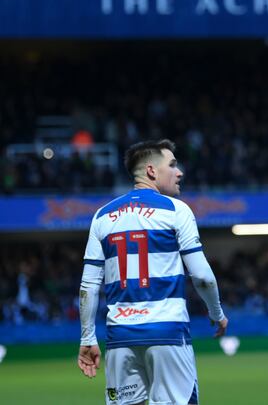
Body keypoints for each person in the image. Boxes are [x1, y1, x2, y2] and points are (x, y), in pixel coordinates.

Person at [78, 139, 227, 405]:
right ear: (151, 171)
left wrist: (88, 338)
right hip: (167, 333)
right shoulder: (176, 210)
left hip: (119, 340)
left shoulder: (101, 216)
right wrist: (216, 313)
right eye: (172, 165)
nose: (179, 172)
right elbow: (202, 276)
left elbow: (88, 286)